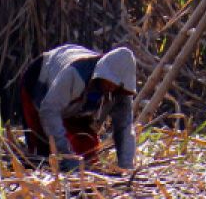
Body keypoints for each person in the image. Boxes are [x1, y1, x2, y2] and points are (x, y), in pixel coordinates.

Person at [20, 44, 137, 172]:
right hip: (40, 87)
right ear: (102, 74)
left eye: (116, 85)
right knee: (42, 152)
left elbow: (124, 127)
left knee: (87, 152)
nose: (112, 87)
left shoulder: (120, 92)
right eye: (110, 82)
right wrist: (66, 154)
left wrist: (126, 167)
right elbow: (49, 110)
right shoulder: (75, 74)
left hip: (73, 110)